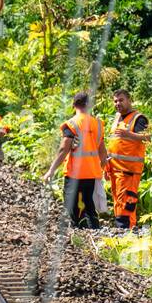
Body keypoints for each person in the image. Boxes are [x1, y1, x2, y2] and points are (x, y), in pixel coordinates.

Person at [43, 91, 110, 229]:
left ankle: (78, 231)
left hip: (74, 173)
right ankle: (94, 231)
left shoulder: (72, 124)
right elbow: (102, 151)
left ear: (74, 105)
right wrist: (104, 169)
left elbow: (63, 149)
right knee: (89, 205)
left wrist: (51, 170)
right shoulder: (97, 124)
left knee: (71, 204)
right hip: (91, 173)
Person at [107, 89, 150, 231]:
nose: (117, 103)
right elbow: (113, 143)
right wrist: (106, 166)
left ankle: (126, 231)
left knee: (126, 202)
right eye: (115, 101)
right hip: (114, 168)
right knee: (118, 201)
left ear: (129, 100)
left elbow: (147, 138)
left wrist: (128, 134)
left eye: (121, 100)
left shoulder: (138, 118)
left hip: (128, 170)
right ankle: (124, 231)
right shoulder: (117, 117)